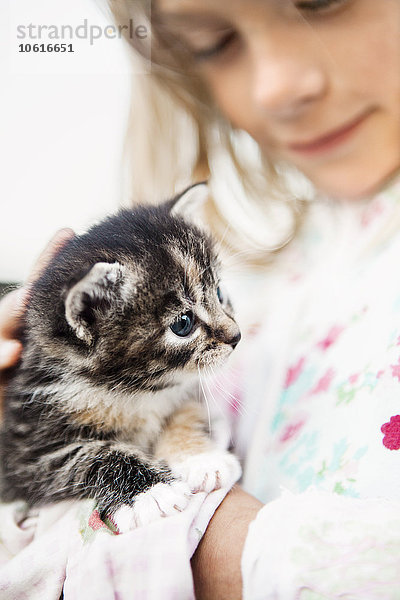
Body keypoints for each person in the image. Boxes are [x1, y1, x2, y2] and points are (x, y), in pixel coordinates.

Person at [1, 0, 400, 598]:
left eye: (322, 3)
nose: (277, 88)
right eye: (213, 42)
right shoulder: (287, 283)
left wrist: (201, 535)